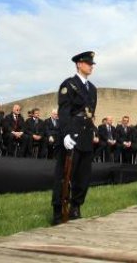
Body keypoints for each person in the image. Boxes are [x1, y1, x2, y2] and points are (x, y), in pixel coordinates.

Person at [51, 51, 98, 225]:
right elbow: (64, 111)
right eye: (88, 63)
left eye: (92, 63)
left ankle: (76, 206)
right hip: (72, 134)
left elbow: (91, 114)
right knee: (64, 174)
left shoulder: (92, 89)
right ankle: (58, 210)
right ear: (79, 64)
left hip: (85, 136)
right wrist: (66, 134)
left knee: (83, 175)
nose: (91, 66)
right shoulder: (69, 84)